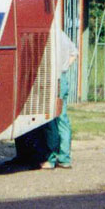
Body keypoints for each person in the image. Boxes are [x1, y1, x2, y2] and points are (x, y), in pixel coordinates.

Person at [40, 27, 78, 170]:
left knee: (50, 121)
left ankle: (51, 158)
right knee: (63, 119)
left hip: (51, 79)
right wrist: (65, 66)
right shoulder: (61, 34)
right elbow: (74, 52)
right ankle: (65, 157)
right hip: (62, 78)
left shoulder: (47, 35)